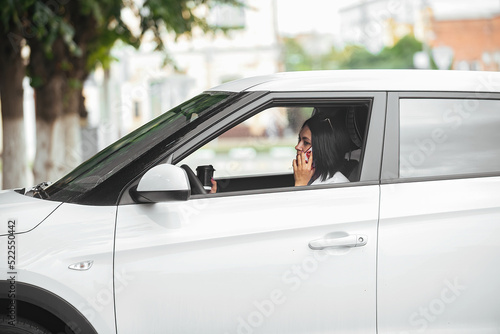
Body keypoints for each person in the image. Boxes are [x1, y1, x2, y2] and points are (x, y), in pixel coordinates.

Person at [293, 113, 352, 186]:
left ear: (322, 149)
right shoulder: (309, 177)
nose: (297, 146)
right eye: (299, 139)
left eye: (306, 142)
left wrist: (300, 183)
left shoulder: (336, 185)